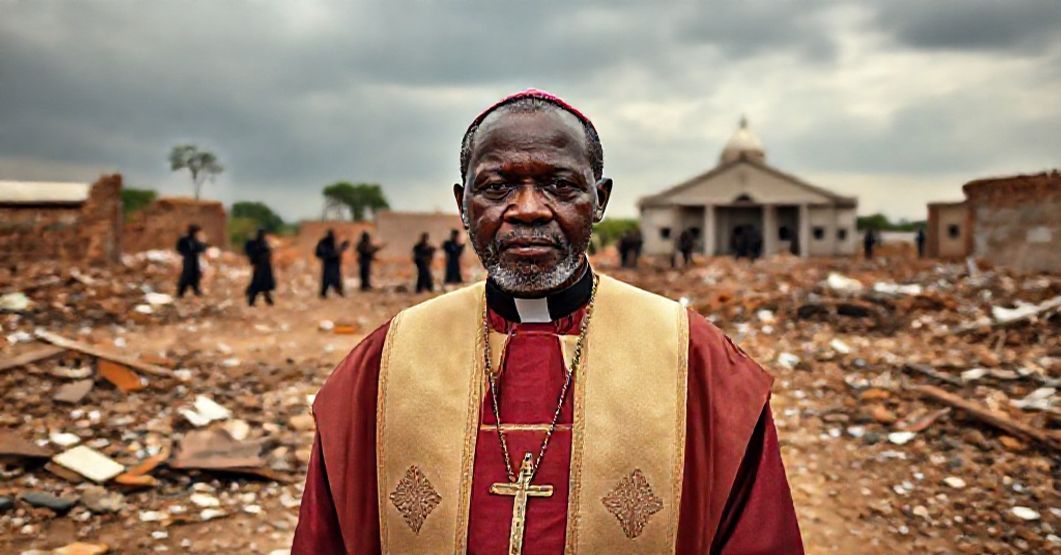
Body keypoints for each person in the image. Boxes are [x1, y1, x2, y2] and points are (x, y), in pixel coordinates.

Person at [293, 89, 802, 554]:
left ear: (599, 200)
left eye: (559, 185)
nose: (528, 210)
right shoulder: (385, 363)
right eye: (496, 186)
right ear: (462, 205)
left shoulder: (697, 360)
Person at [243, 228, 275, 306]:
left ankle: (268, 300)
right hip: (259, 266)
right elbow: (252, 254)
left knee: (266, 285)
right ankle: (251, 301)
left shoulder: (264, 243)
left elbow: (269, 252)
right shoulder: (255, 244)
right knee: (256, 284)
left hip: (266, 267)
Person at [315, 229, 349, 298]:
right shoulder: (324, 242)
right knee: (328, 280)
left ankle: (337, 292)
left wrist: (342, 248)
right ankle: (324, 293)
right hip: (329, 264)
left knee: (335, 280)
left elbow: (336, 252)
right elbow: (327, 253)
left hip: (334, 264)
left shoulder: (331, 242)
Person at [175, 224, 206, 298]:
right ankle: (180, 293)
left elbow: (201, 248)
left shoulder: (195, 240)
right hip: (188, 259)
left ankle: (196, 290)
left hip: (194, 259)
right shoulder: (185, 239)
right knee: (186, 275)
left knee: (195, 275)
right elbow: (179, 248)